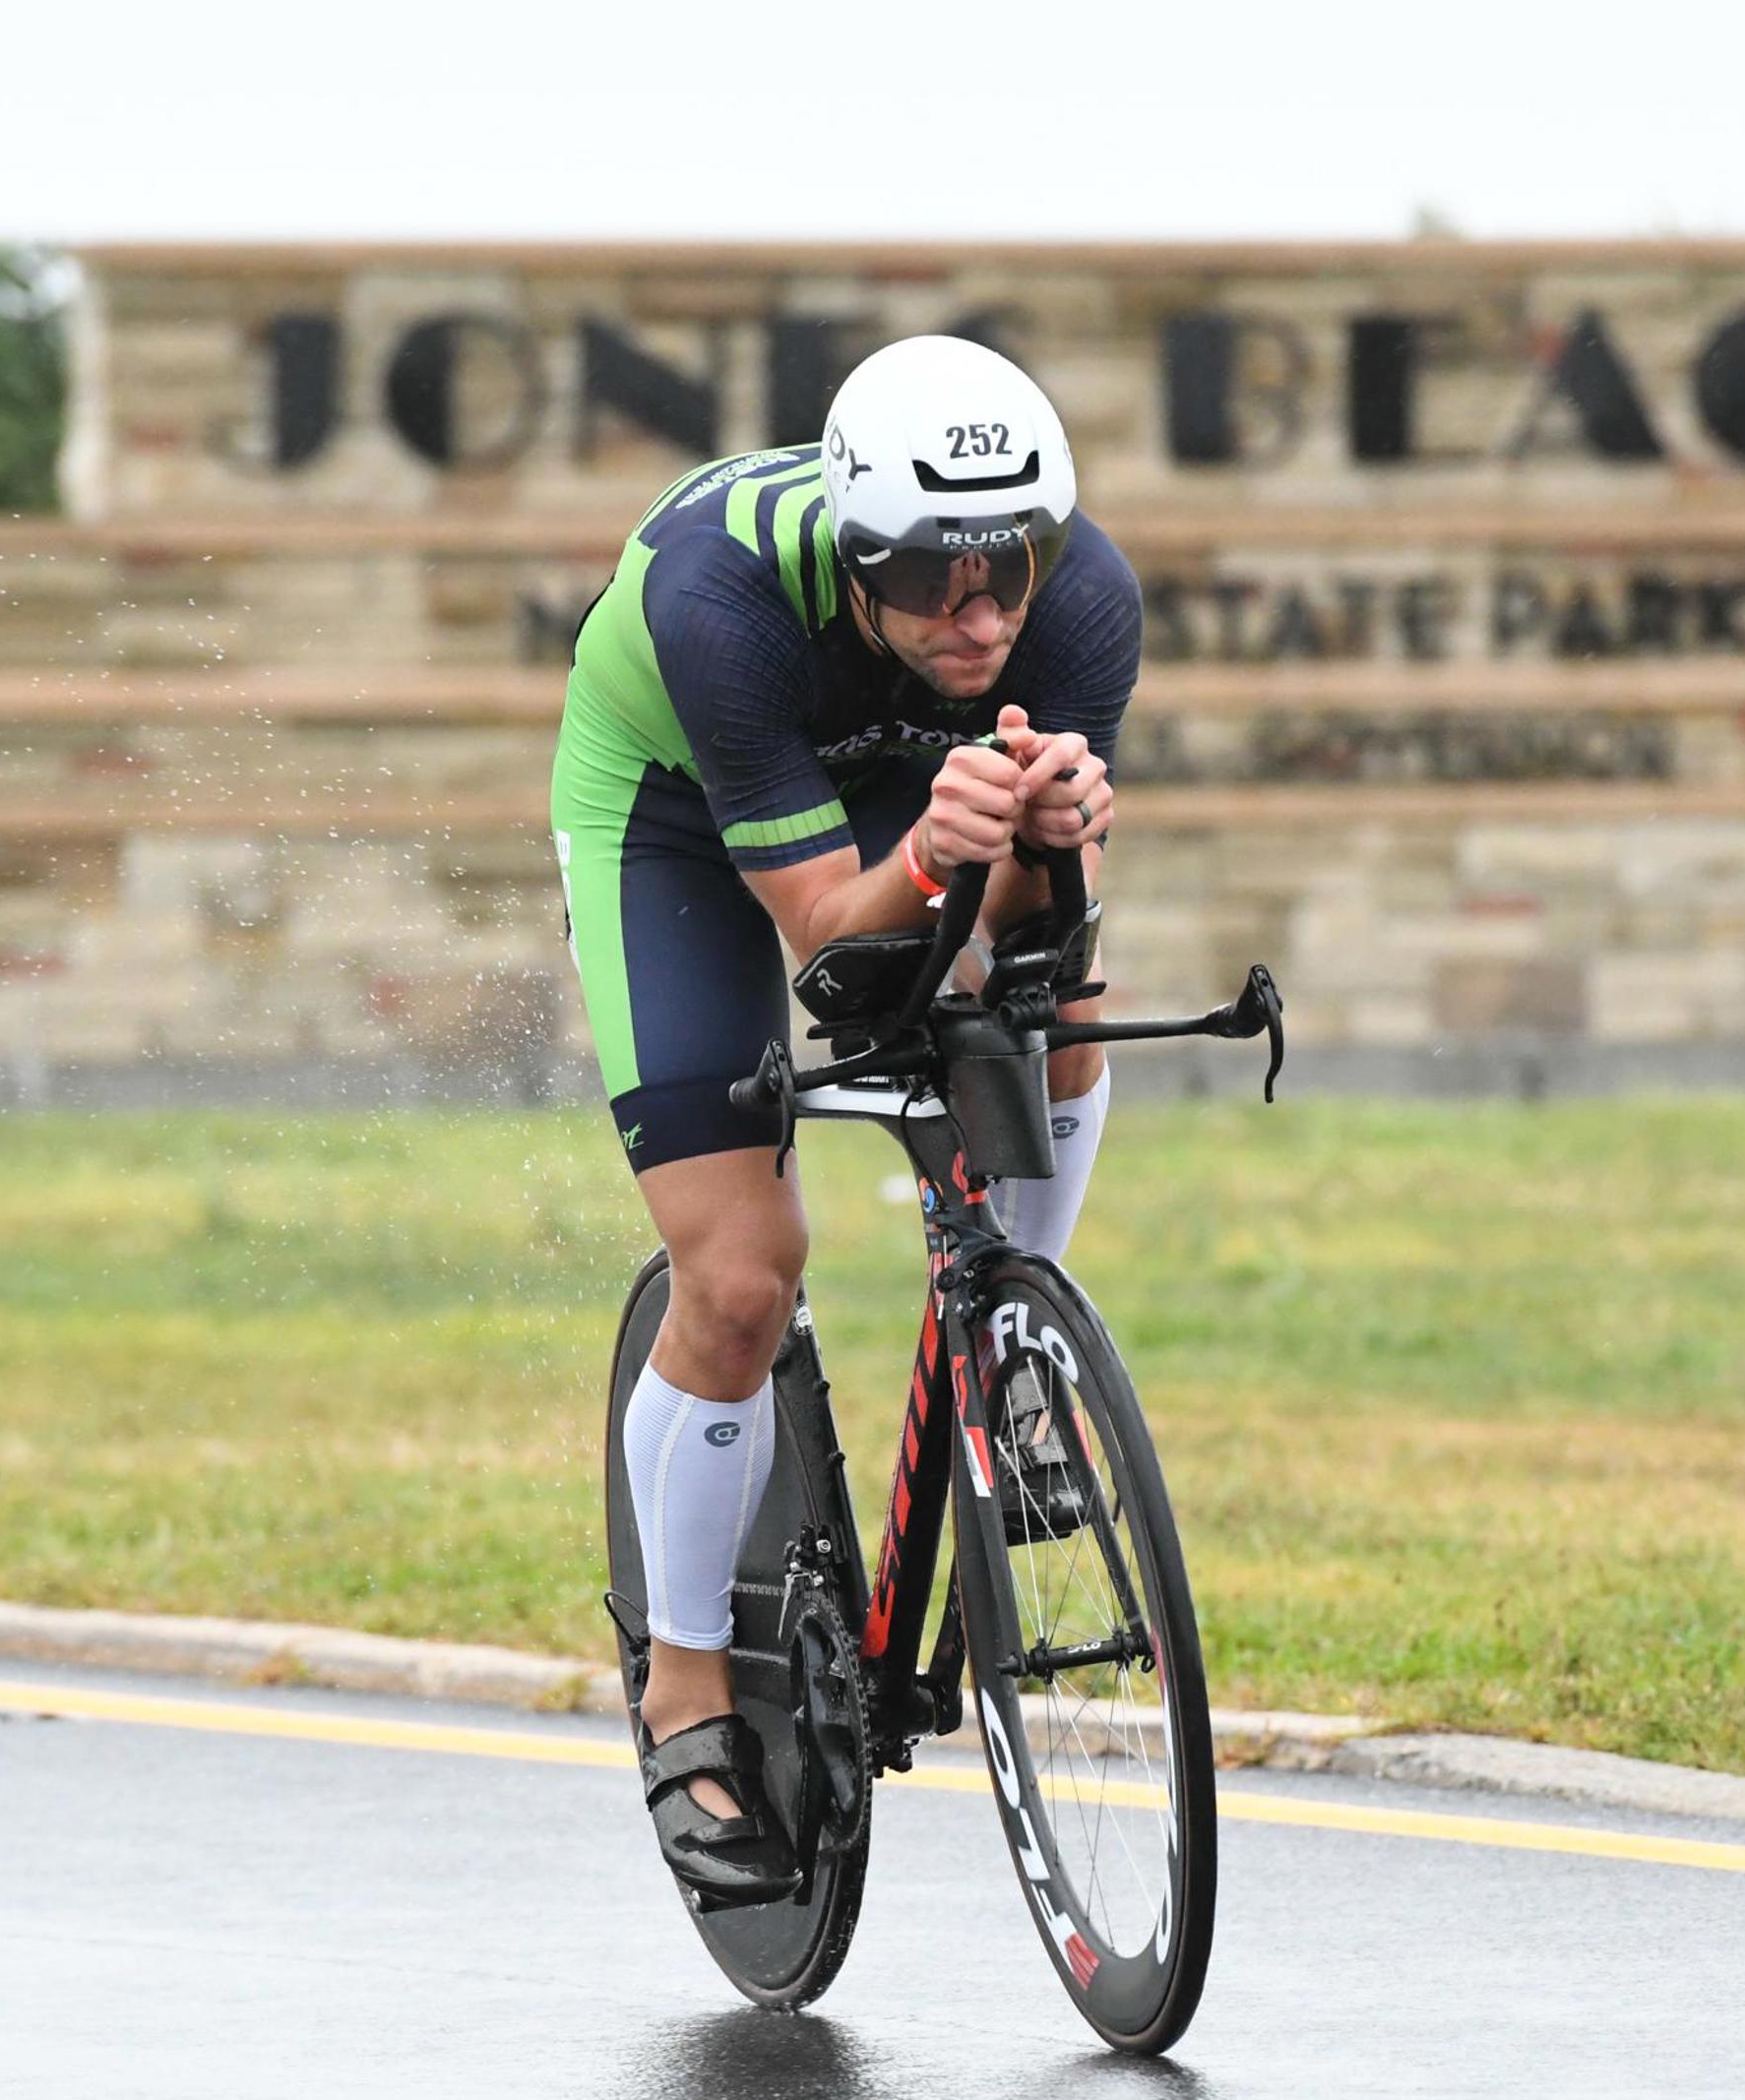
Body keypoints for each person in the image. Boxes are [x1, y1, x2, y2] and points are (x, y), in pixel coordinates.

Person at [548, 335, 1135, 1904]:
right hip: (676, 817)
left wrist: (1047, 842)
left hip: (901, 800)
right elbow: (831, 943)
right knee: (741, 1274)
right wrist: (948, 854)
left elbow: (1024, 925)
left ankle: (1019, 1359)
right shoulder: (716, 600)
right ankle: (683, 1682)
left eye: (1009, 569)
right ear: (861, 554)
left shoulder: (1079, 603)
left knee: (1063, 1006)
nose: (986, 616)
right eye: (938, 579)